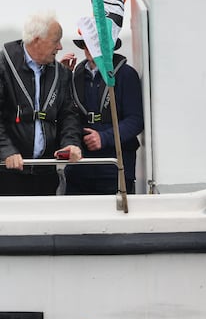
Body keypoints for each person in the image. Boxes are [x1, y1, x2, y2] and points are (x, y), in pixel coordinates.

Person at [0, 11, 82, 196]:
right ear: (37, 40)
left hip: (46, 172)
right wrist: (6, 151)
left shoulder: (62, 73)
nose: (59, 47)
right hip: (7, 172)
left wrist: (71, 143)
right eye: (55, 40)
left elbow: (69, 115)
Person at [59, 18, 144, 195]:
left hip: (114, 169)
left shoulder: (126, 75)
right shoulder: (74, 75)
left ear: (109, 46)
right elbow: (65, 115)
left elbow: (135, 120)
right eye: (86, 44)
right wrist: (61, 77)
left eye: (96, 43)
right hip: (79, 169)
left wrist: (104, 137)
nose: (90, 48)